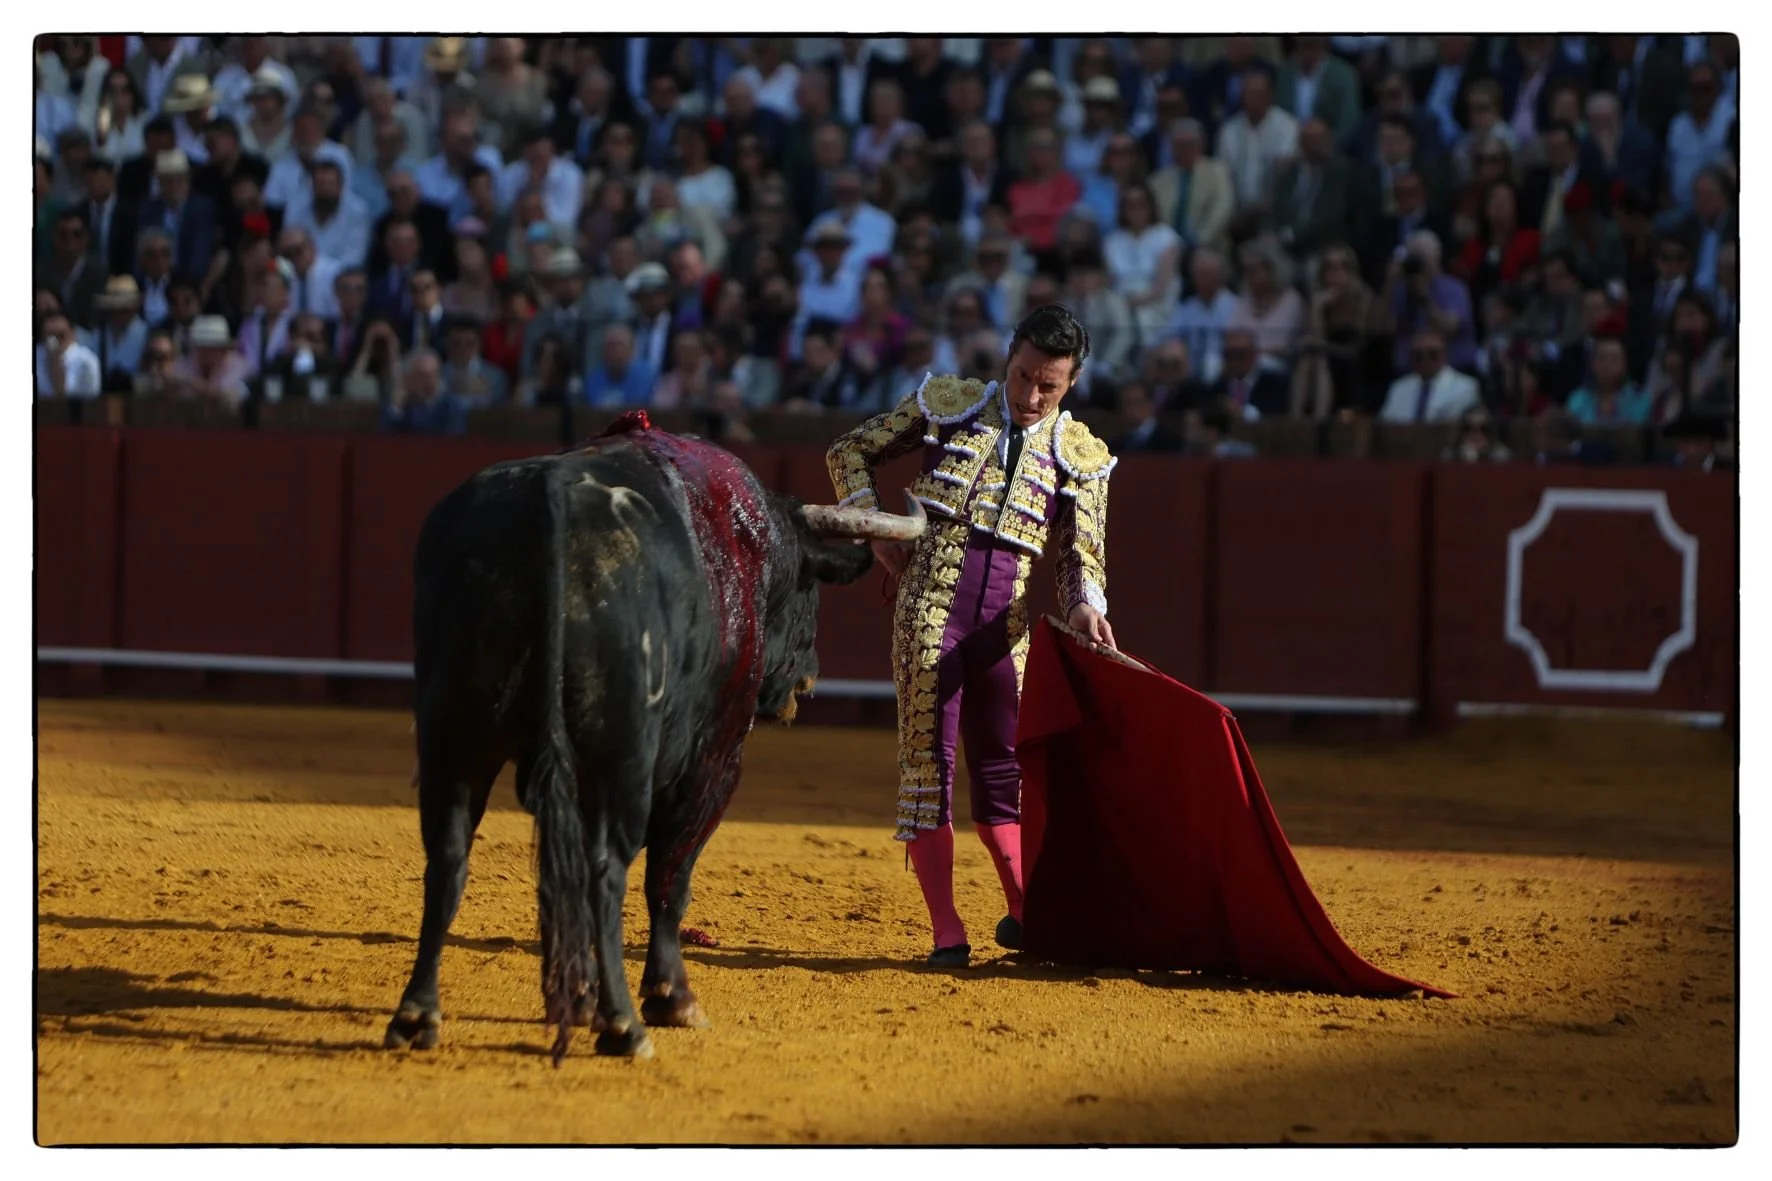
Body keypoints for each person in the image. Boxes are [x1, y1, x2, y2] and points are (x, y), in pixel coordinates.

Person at [824, 304, 1115, 968]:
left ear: (1071, 382)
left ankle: (1026, 912)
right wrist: (873, 527)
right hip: (928, 612)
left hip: (1005, 632)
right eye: (1022, 376)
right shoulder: (950, 405)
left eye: (1049, 385)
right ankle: (947, 931)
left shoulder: (1080, 454)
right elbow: (848, 451)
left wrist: (1084, 606)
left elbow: (1080, 554)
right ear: (1007, 360)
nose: (1031, 396)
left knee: (1003, 775)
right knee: (928, 769)